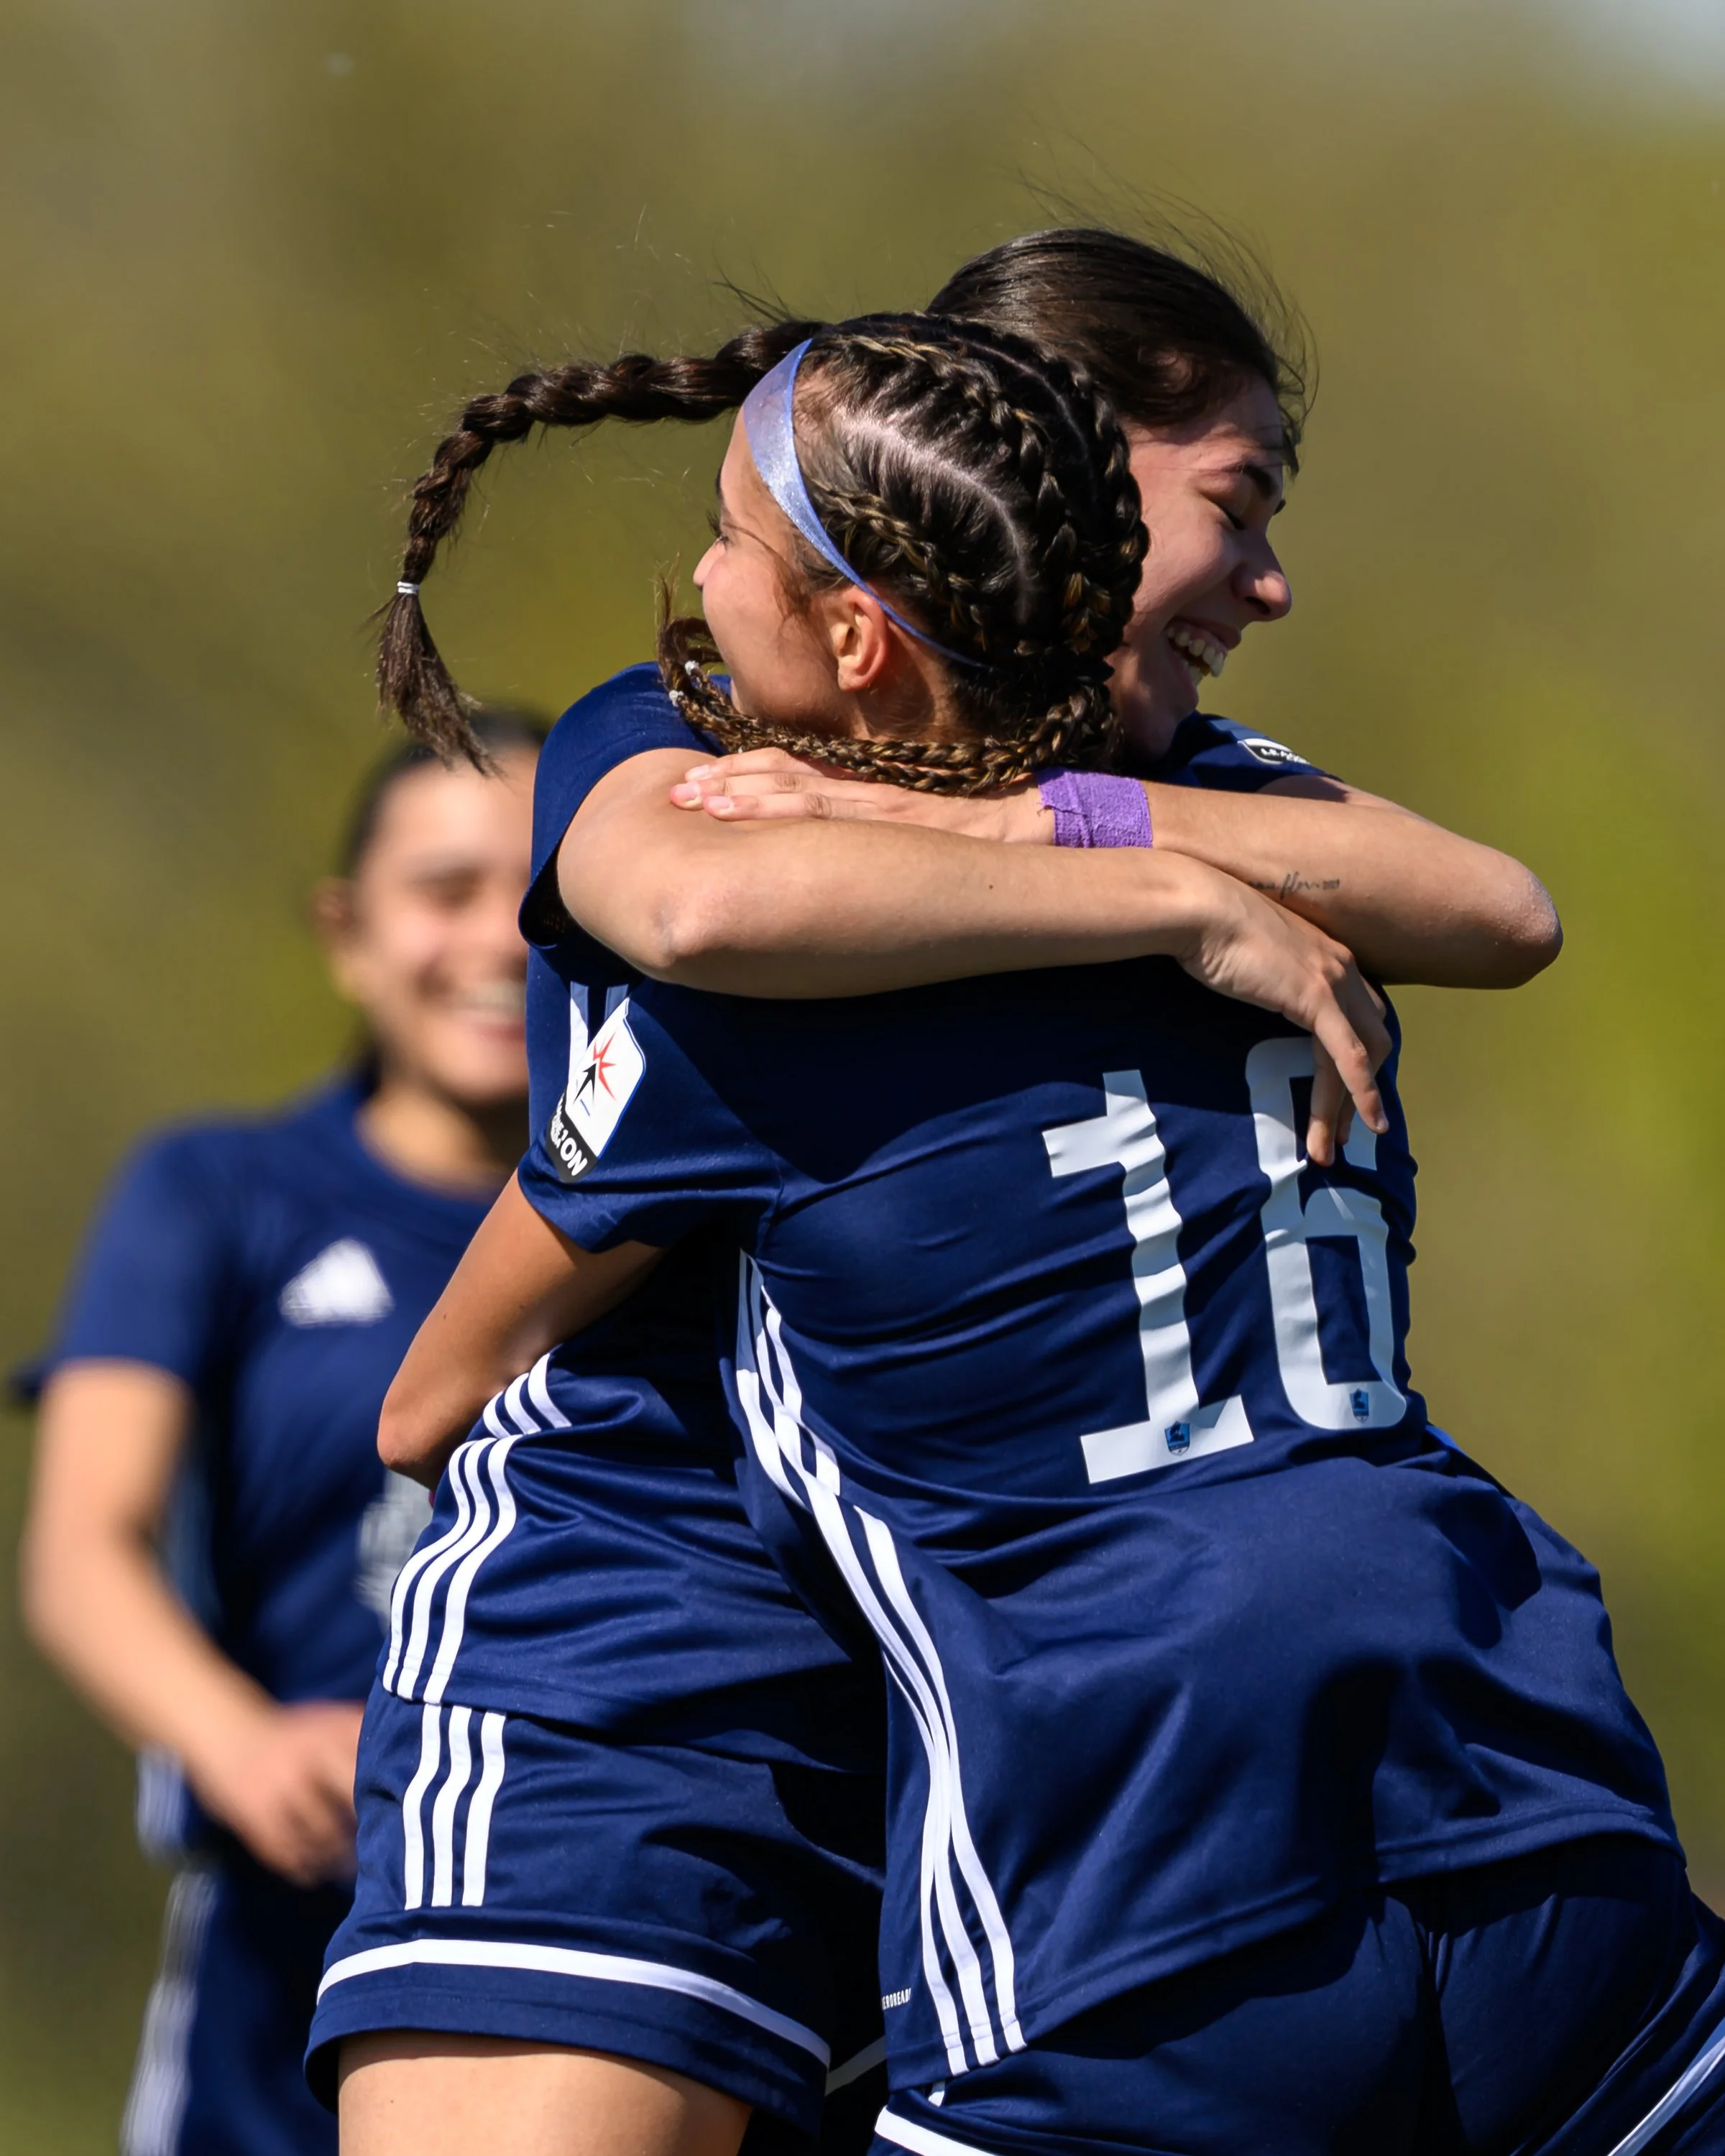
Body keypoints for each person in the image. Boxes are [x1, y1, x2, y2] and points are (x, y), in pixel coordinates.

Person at [349, 292, 1724, 2156]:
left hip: (1136, 1839)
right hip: (1502, 1733)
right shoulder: (1227, 863)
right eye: (1238, 506)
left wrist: (1082, 845)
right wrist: (1157, 885)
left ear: (857, 627)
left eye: (724, 540)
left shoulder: (800, 963)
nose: (1264, 578)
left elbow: (430, 1399)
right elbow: (689, 896)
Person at [19, 712, 543, 2156]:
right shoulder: (216, 1194)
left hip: (595, 1921)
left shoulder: (695, 1222)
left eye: (538, 894)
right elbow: (82, 1551)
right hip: (286, 1945)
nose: (497, 941)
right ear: (347, 934)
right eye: (444, 890)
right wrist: (238, 1744)